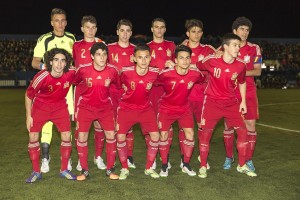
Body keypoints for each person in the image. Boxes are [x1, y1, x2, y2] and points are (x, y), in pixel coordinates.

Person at [196, 33, 257, 178]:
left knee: (242, 133)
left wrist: (242, 101)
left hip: (231, 103)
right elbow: (198, 66)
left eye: (239, 45)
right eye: (235, 45)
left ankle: (241, 165)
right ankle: (203, 165)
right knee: (205, 134)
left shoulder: (241, 64)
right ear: (225, 47)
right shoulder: (212, 60)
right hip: (211, 103)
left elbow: (242, 82)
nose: (238, 48)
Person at [31, 8, 76, 173]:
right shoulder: (45, 39)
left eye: (63, 20)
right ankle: (45, 157)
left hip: (66, 87)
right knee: (47, 124)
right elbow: (34, 62)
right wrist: (48, 68)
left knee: (67, 123)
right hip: (48, 88)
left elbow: (73, 62)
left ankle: (68, 158)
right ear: (52, 22)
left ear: (66, 21)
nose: (60, 23)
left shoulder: (72, 38)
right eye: (57, 20)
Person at [25, 48, 76, 183]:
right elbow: (29, 95)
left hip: (60, 107)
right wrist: (28, 116)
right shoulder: (41, 76)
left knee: (66, 136)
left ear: (66, 63)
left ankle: (64, 169)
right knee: (33, 136)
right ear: (50, 62)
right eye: (56, 60)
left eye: (62, 61)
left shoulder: (71, 73)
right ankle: (36, 171)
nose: (59, 64)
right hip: (41, 107)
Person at [155, 45, 205, 177]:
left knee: (190, 134)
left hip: (184, 108)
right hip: (166, 108)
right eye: (181, 58)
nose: (185, 61)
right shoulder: (166, 74)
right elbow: (153, 81)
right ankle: (164, 165)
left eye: (188, 58)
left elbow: (203, 79)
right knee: (164, 135)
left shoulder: (195, 74)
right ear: (175, 60)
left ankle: (186, 164)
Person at [73, 42, 119, 181]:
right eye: (98, 54)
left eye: (104, 54)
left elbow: (117, 86)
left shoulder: (113, 71)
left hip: (105, 108)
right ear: (92, 56)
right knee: (82, 138)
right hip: (85, 108)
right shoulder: (82, 70)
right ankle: (84, 170)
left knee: (111, 135)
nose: (102, 57)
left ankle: (110, 169)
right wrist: (75, 111)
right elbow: (76, 85)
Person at [222, 17, 262, 172]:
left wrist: (239, 73)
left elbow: (257, 71)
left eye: (247, 30)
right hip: (229, 92)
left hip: (249, 91)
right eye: (241, 29)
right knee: (228, 126)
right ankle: (229, 156)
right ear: (234, 31)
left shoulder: (255, 48)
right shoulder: (226, 48)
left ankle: (248, 159)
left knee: (250, 126)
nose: (244, 33)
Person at [116, 44, 160, 180]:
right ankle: (124, 168)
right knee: (120, 137)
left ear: (150, 58)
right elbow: (118, 84)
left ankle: (148, 168)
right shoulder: (125, 71)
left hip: (145, 109)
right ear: (134, 58)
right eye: (140, 57)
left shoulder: (155, 72)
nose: (143, 60)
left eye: (146, 57)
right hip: (126, 108)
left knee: (156, 137)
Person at [179, 19, 216, 169]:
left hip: (202, 95)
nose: (196, 34)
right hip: (184, 95)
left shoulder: (208, 50)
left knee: (203, 127)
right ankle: (184, 157)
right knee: (184, 128)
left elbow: (221, 58)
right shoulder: (180, 50)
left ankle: (203, 156)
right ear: (187, 33)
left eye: (199, 32)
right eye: (193, 32)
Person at [72, 15, 106, 171]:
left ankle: (98, 156)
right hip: (81, 91)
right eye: (87, 27)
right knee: (81, 128)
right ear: (82, 29)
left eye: (93, 27)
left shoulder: (101, 44)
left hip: (99, 91)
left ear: (96, 29)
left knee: (100, 125)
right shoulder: (76, 45)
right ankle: (81, 159)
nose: (90, 30)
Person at [147, 18, 176, 170]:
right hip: (151, 90)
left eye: (162, 27)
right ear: (152, 29)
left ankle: (165, 156)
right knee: (151, 124)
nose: (159, 30)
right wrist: (160, 69)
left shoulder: (171, 46)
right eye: (156, 27)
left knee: (167, 125)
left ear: (165, 29)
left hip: (167, 91)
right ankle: (152, 157)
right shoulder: (146, 47)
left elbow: (177, 67)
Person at [107, 19, 136, 169]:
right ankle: (111, 156)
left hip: (129, 94)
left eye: (128, 31)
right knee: (111, 126)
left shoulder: (136, 50)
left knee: (128, 126)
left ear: (131, 33)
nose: (125, 34)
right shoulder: (108, 49)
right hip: (111, 93)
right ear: (117, 31)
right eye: (122, 30)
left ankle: (129, 156)